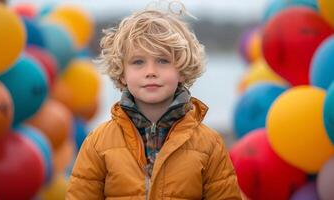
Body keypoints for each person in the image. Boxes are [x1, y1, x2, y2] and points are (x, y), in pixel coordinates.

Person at [66, 2, 242, 199]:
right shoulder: (98, 143)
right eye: (138, 62)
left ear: (181, 71)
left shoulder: (209, 145)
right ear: (122, 73)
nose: (151, 72)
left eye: (163, 61)